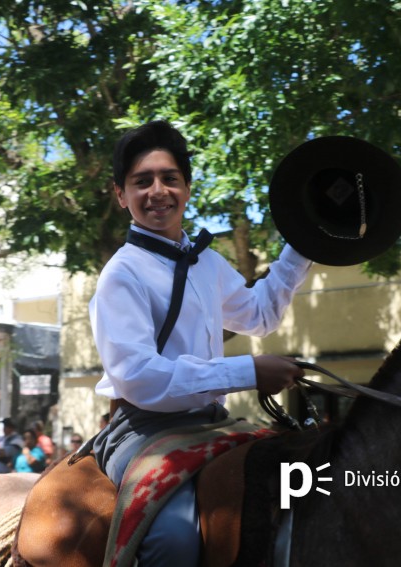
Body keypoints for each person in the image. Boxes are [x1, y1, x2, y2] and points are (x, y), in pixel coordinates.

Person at [90, 120, 311, 566]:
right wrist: (248, 372)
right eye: (142, 181)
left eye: (170, 179)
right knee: (173, 540)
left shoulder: (206, 261)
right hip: (142, 429)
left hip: (211, 421)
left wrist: (304, 242)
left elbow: (259, 314)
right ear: (121, 195)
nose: (158, 191)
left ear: (187, 189)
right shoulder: (121, 273)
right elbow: (138, 378)